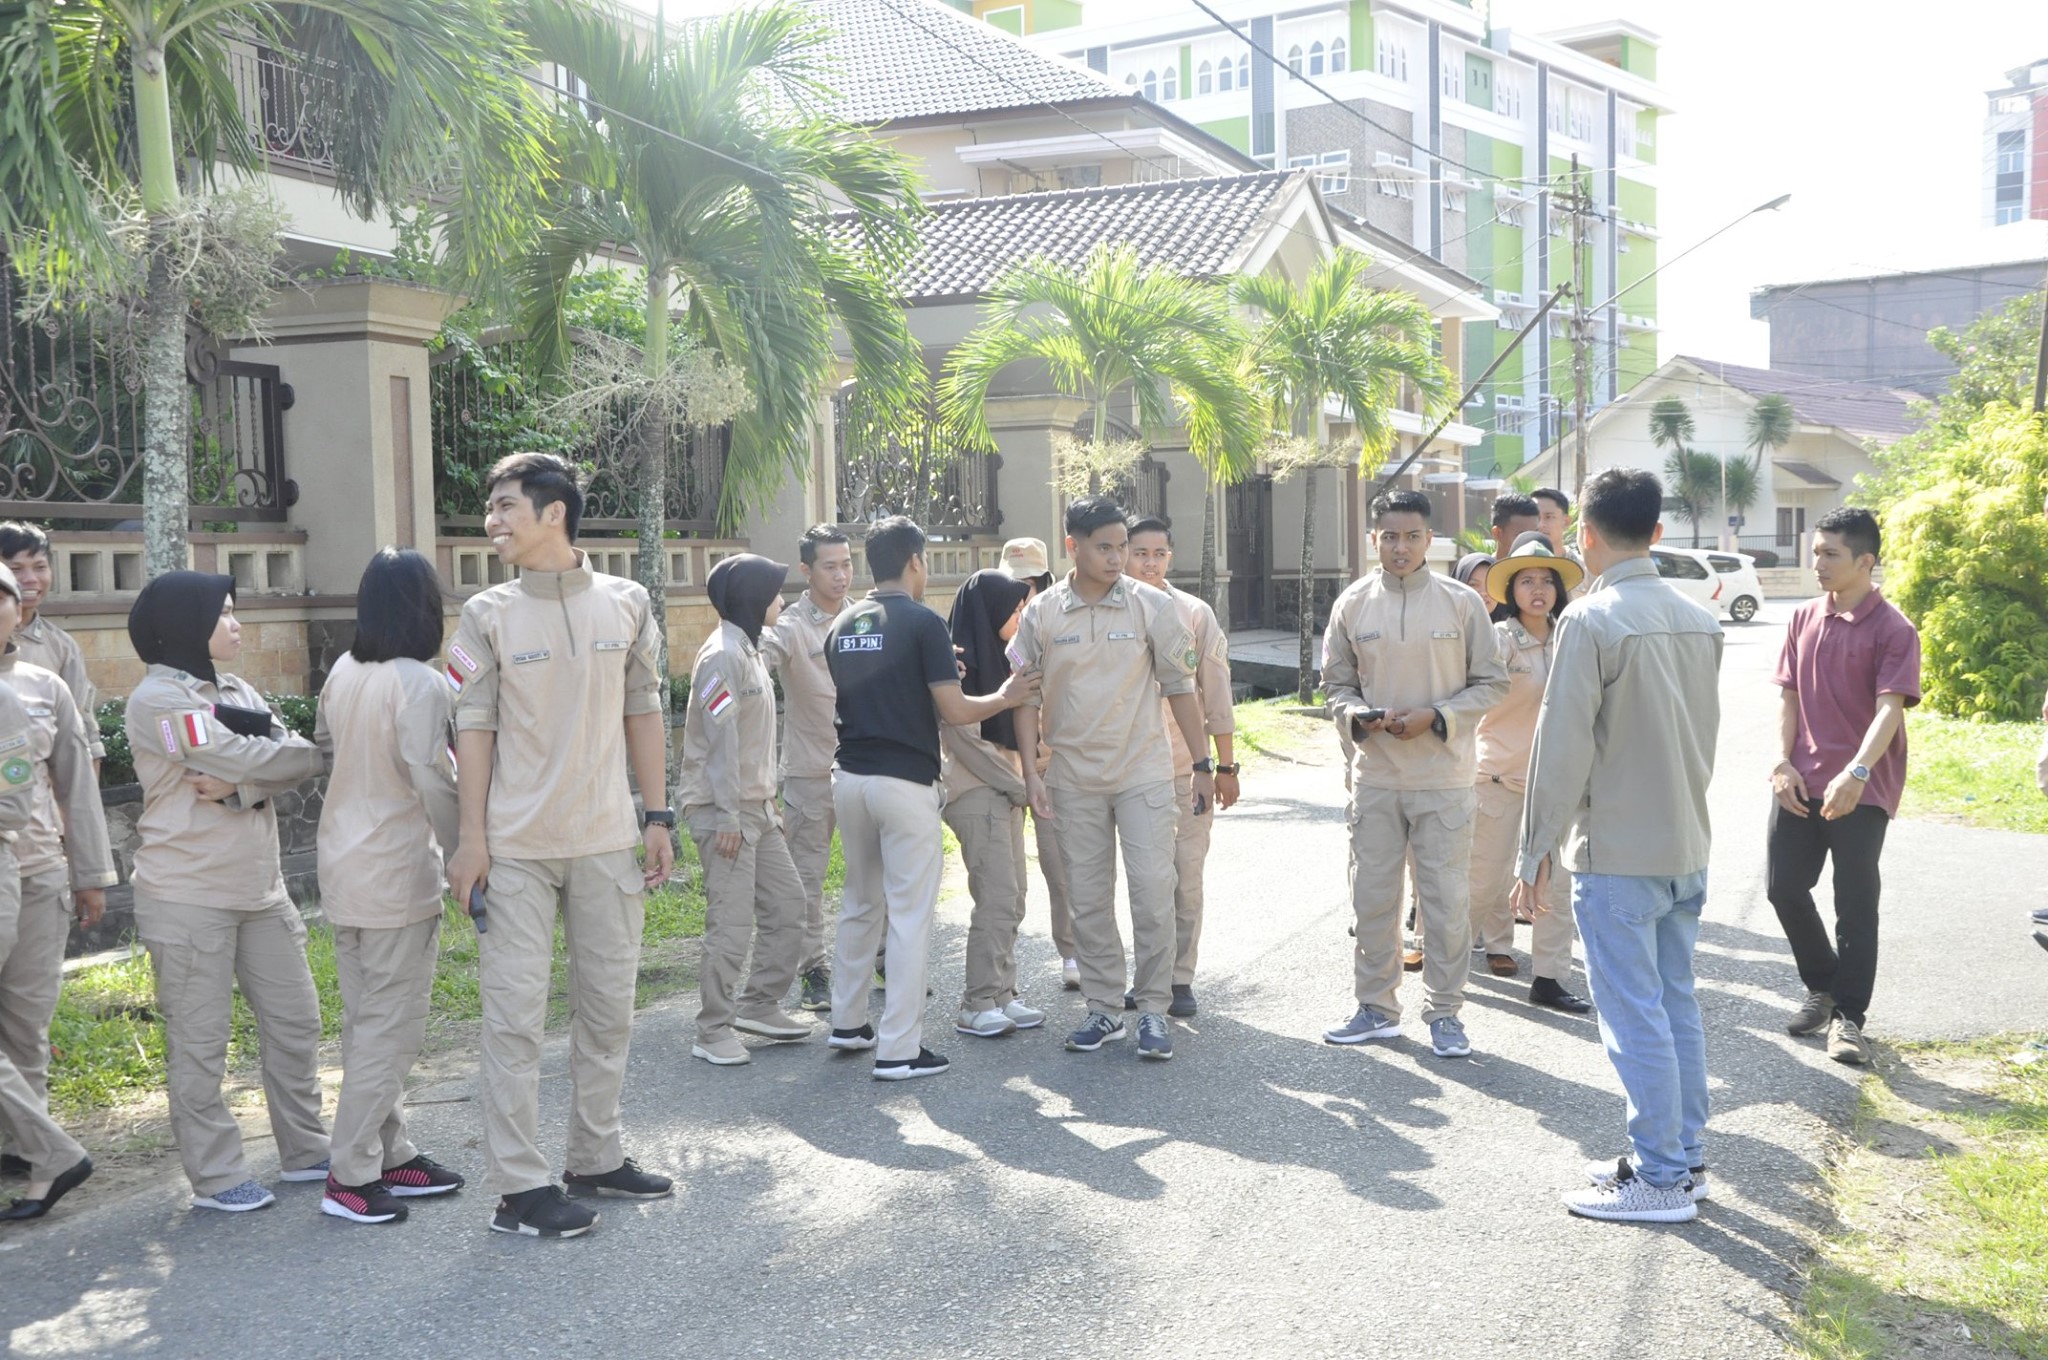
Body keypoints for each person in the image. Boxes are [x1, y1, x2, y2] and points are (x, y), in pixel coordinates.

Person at [446, 452, 676, 1240]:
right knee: (514, 1020)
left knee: (608, 1010)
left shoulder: (628, 602)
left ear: (554, 513)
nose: (492, 521)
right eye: (491, 507)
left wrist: (658, 815)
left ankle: (595, 1157)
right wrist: (471, 841)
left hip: (608, 839)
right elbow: (472, 726)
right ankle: (519, 1188)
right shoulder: (486, 614)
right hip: (515, 848)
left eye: (505, 506)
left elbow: (644, 708)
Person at [1513, 467, 1722, 1225]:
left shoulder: (1591, 619)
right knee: (1674, 1006)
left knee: (1635, 1018)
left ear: (1585, 535)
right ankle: (1682, 1159)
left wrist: (1532, 851)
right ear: (1657, 533)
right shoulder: (1699, 617)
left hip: (1617, 851)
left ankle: (1660, 1178)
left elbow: (1561, 747)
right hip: (1685, 843)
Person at [124, 572, 329, 1213]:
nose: (237, 625)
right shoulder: (159, 699)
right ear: (187, 624)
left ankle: (306, 1150)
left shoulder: (238, 689)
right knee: (201, 1041)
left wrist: (244, 787)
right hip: (188, 892)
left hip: (260, 890)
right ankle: (216, 1176)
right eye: (225, 613)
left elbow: (296, 755)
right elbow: (241, 754)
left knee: (296, 1021)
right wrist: (254, 768)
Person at [824, 517, 1038, 1080]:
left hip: (848, 777)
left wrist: (940, 670)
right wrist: (1007, 693)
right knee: (909, 914)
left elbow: (881, 689)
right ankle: (899, 1048)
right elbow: (957, 711)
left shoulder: (843, 622)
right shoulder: (923, 622)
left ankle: (847, 1022)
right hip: (903, 781)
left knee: (860, 902)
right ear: (916, 561)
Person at [1012, 497, 1211, 1063]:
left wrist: (1203, 765)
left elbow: (1181, 688)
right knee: (1088, 897)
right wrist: (1030, 771)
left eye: (1123, 546)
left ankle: (1152, 1009)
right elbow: (1025, 696)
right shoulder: (1041, 613)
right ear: (1072, 546)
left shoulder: (1152, 605)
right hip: (1073, 778)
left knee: (1152, 892)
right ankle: (1103, 1008)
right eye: (1105, 547)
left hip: (1143, 772)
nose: (1118, 557)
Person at [312, 548, 469, 1225]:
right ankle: (349, 1174)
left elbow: (326, 744)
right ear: (425, 610)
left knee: (366, 1024)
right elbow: (434, 781)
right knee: (391, 1031)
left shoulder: (343, 672)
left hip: (342, 867)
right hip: (396, 872)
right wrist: (466, 855)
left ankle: (390, 1151)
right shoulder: (421, 683)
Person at [1322, 490, 1507, 1058]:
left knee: (1445, 905)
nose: (1399, 547)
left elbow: (1492, 683)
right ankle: (1375, 1008)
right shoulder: (1353, 603)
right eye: (1389, 537)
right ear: (1373, 539)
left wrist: (1438, 716)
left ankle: (1445, 1013)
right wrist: (1357, 715)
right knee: (1372, 900)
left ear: (1430, 539)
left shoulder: (1462, 603)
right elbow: (1335, 685)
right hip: (1376, 779)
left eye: (1411, 536)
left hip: (1445, 780)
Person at [1768, 507, 1921, 1066]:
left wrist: (1857, 772)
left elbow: (1889, 710)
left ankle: (1849, 1017)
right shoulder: (1803, 617)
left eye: (1830, 554)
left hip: (1862, 785)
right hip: (1800, 779)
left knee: (1855, 902)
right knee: (1784, 887)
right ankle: (1825, 985)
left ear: (1865, 561)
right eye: (1816, 552)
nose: (1818, 563)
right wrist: (1780, 762)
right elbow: (1788, 698)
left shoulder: (1894, 628)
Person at [0, 560, 112, 1222]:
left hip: (38, 871)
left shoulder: (42, 685)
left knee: (25, 1026)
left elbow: (76, 785)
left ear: (19, 612)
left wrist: (90, 873)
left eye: (5, 598)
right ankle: (44, 1151)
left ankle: (34, 1158)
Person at [678, 554, 813, 1066]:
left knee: (789, 905)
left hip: (756, 808)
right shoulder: (720, 656)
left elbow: (753, 740)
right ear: (753, 598)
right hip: (723, 812)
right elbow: (721, 743)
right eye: (774, 592)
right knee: (731, 924)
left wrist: (765, 799)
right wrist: (729, 816)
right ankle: (712, 1029)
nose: (781, 600)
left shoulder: (750, 648)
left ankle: (759, 1004)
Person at [1124, 516, 1238, 1018]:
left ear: (1170, 556)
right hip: (1129, 770)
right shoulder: (1112, 611)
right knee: (1147, 883)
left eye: (1159, 554)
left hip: (1186, 767)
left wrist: (1224, 766)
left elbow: (1217, 691)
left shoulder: (1194, 613)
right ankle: (1150, 976)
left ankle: (1180, 977)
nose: (1149, 563)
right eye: (1140, 553)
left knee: (1186, 875)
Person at [1470, 541, 1591, 1011]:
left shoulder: (1573, 637)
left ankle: (1549, 978)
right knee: (1483, 883)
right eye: (1526, 581)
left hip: (1558, 787)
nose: (1538, 590)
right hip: (1500, 780)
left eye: (1546, 581)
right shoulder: (1497, 640)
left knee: (1555, 888)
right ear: (1511, 591)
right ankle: (1447, 962)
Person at [943, 568, 1045, 1038]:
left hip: (1006, 791)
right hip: (976, 791)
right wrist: (1019, 784)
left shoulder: (1008, 662)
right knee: (996, 896)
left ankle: (1004, 992)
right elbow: (964, 741)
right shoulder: (956, 662)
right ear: (991, 611)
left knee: (1014, 895)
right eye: (1015, 609)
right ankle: (977, 1001)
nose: (1022, 616)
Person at [759, 525, 852, 1012]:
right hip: (810, 774)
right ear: (806, 570)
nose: (841, 575)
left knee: (875, 871)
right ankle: (814, 970)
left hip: (863, 770)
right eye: (829, 566)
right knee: (807, 880)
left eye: (847, 564)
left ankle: (880, 955)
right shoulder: (791, 625)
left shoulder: (865, 617)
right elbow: (756, 659)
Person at [999, 538, 1079, 991]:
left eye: (1028, 585)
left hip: (1049, 767)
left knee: (1061, 866)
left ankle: (1073, 952)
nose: (1020, 597)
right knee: (1006, 883)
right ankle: (998, 978)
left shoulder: (1053, 624)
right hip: (997, 773)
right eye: (1011, 587)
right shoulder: (976, 631)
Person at [0, 522, 105, 771]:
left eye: (40, 567)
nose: (30, 579)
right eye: (15, 569)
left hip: (39, 788)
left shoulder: (62, 647)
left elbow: (83, 732)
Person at [1489, 493, 1542, 557]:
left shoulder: (1546, 562)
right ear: (1497, 533)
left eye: (1535, 535)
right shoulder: (1483, 563)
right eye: (1521, 536)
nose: (1531, 543)